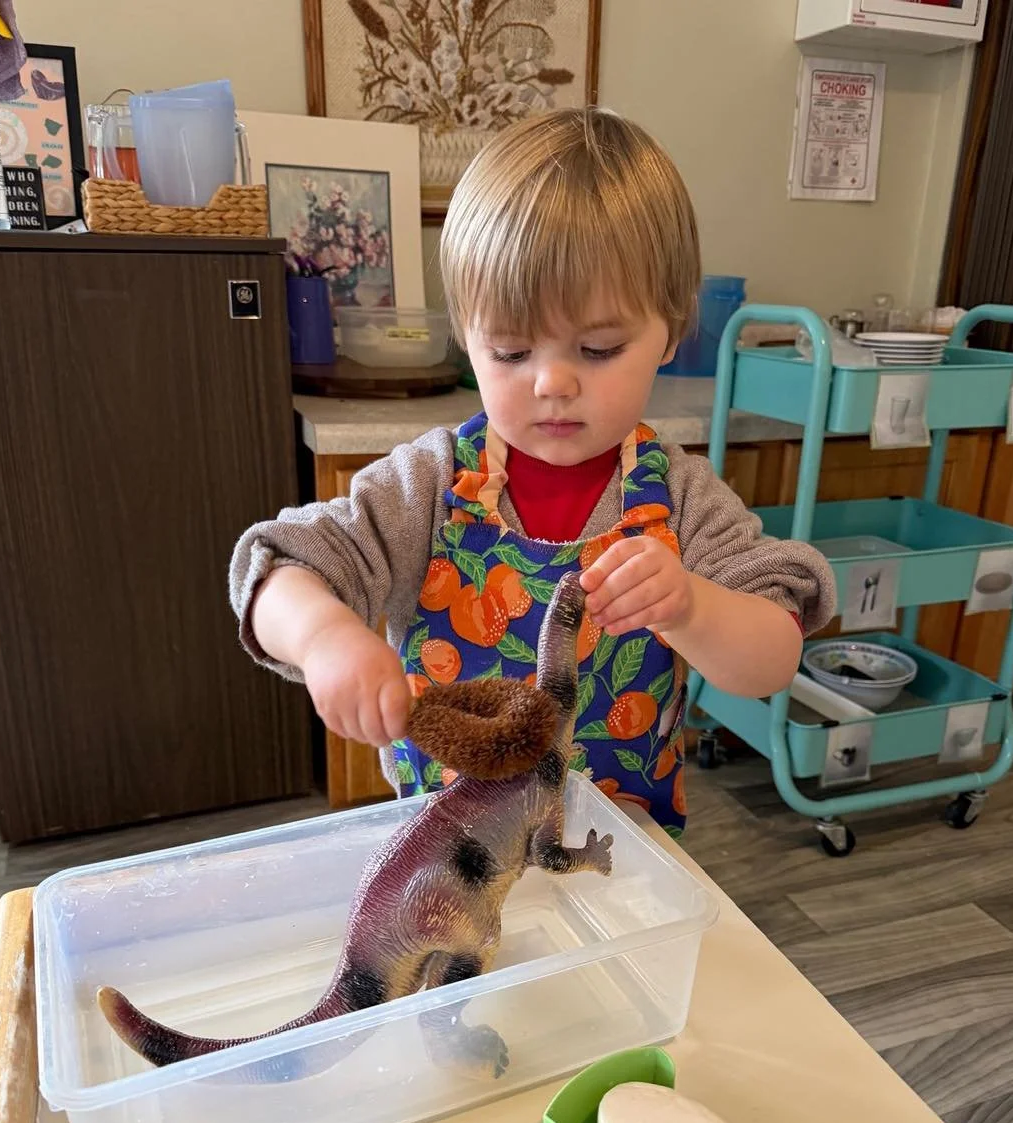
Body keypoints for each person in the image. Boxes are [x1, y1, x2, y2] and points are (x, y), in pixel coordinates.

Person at [229, 107, 836, 835]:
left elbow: (772, 653)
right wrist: (325, 633)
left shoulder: (680, 498)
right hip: (449, 855)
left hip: (616, 863)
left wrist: (694, 608)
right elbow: (275, 569)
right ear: (468, 339)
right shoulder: (428, 485)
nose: (552, 382)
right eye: (512, 353)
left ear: (671, 330)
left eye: (599, 348)